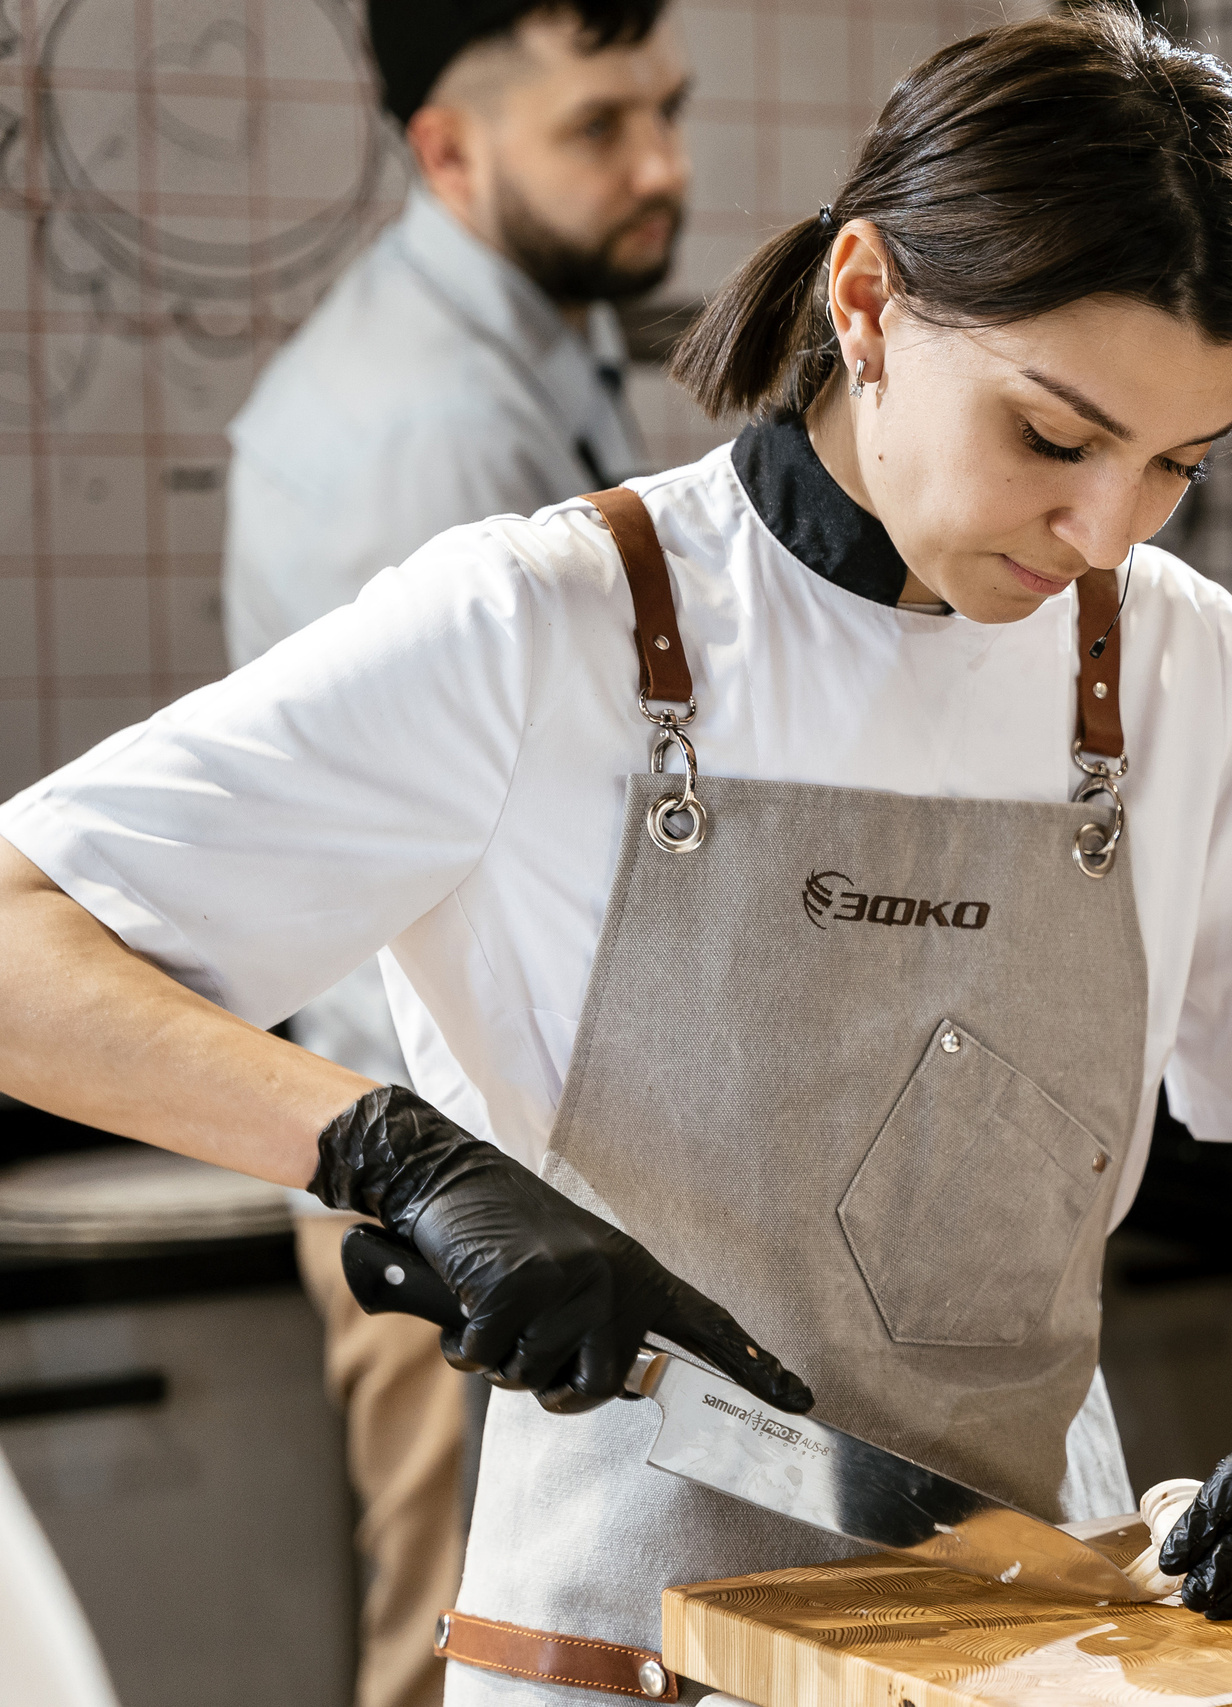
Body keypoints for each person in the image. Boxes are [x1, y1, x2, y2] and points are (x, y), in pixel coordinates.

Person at [0, 9, 1232, 1702]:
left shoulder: (1171, 657)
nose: (1105, 535)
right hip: (611, 1652)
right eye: (1055, 440)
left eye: (1178, 467)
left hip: (1039, 1642)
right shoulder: (542, 624)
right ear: (867, 304)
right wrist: (401, 1158)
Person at [219, 5, 690, 1703]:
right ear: (448, 149)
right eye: (599, 129)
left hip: (515, 1159)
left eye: (666, 109)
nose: (663, 166)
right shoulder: (428, 428)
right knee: (466, 1662)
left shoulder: (538, 343)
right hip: (451, 1182)